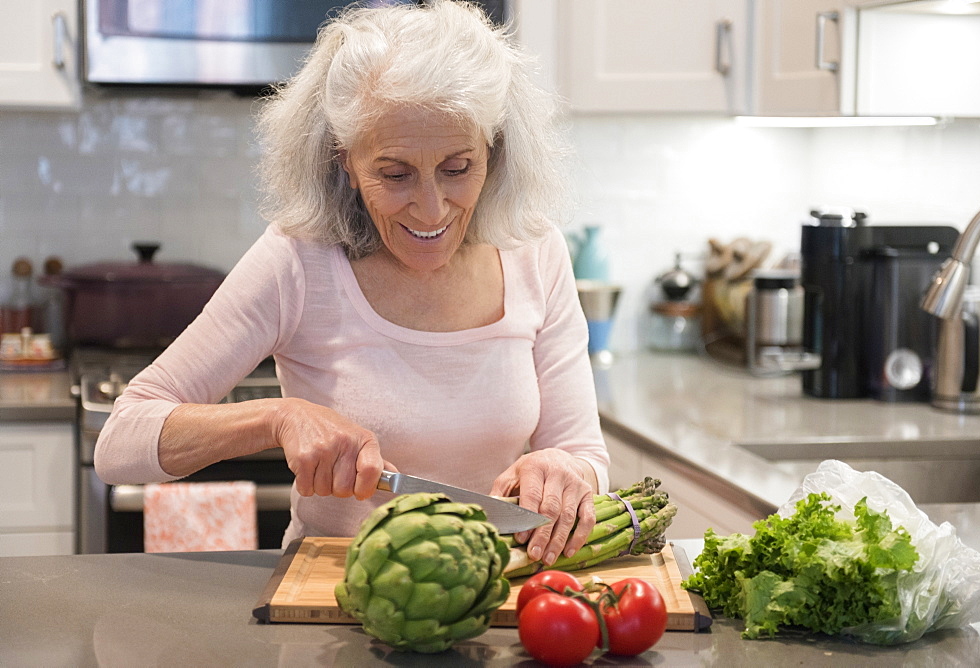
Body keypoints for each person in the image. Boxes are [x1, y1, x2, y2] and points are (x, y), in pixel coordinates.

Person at [95, 0, 609, 567]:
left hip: (491, 596)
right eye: (394, 174)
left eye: (458, 168)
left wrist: (566, 472)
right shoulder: (298, 259)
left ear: (493, 148)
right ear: (346, 161)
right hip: (329, 599)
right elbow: (121, 443)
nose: (432, 207)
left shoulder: (535, 250)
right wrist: (277, 417)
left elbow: (583, 452)